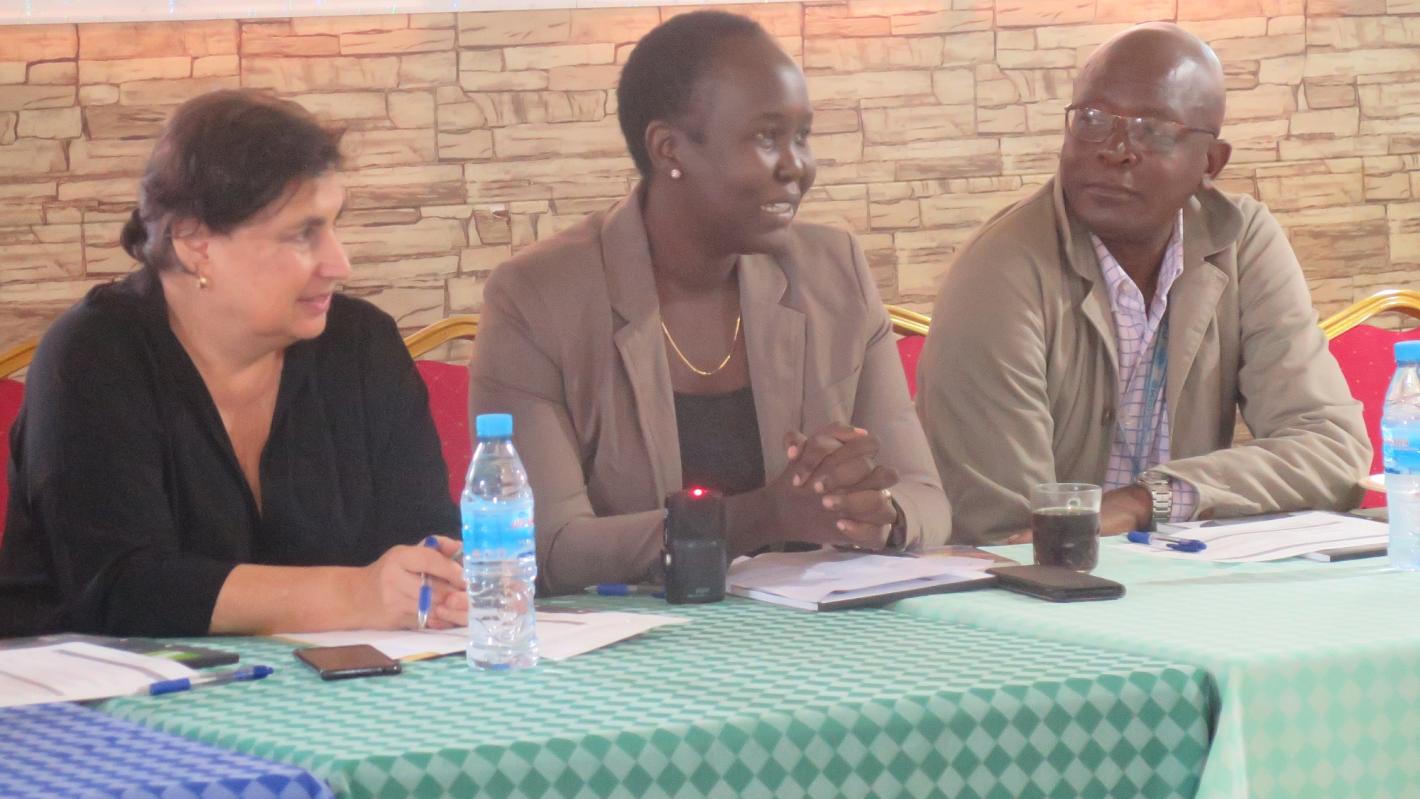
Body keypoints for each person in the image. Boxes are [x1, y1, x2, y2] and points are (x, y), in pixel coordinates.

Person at [469, 11, 951, 594]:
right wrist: (760, 516)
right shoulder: (538, 297)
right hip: (631, 640)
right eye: (766, 138)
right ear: (669, 148)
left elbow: (926, 500)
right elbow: (545, 548)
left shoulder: (834, 271)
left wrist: (875, 512)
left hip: (815, 630)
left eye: (802, 136)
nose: (796, 166)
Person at [0, 90, 463, 637]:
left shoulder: (362, 344)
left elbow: (426, 537)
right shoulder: (93, 354)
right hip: (91, 680)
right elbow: (123, 587)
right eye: (302, 234)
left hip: (336, 677)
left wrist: (435, 583)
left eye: (334, 225)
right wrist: (355, 593)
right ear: (194, 242)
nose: (339, 263)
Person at [916, 23, 1370, 544]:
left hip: (1186, 571)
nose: (1115, 150)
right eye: (1091, 120)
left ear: (1210, 163)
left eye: (1151, 129)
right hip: (1049, 583)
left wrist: (1146, 501)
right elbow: (1010, 534)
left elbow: (1332, 448)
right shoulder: (1001, 269)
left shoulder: (1240, 242)